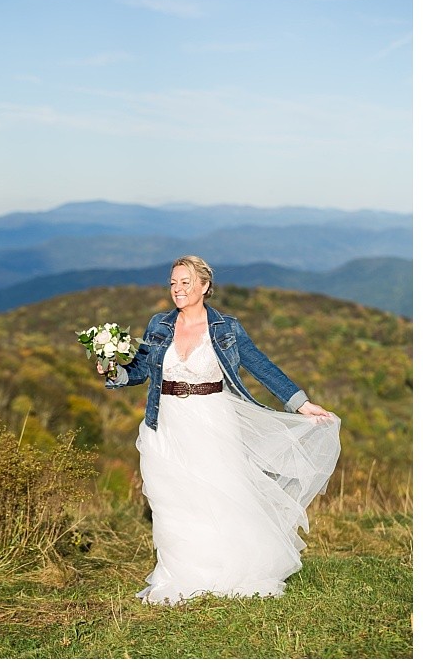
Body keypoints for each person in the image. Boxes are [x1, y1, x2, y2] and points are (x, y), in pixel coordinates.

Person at [100, 255, 340, 605]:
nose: (177, 290)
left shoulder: (226, 327)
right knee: (173, 500)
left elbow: (261, 365)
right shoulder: (159, 325)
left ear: (204, 287)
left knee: (220, 494)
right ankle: (182, 575)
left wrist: (301, 403)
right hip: (166, 422)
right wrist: (112, 371)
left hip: (213, 419)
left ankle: (230, 569)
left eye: (185, 283)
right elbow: (139, 371)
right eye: (173, 283)